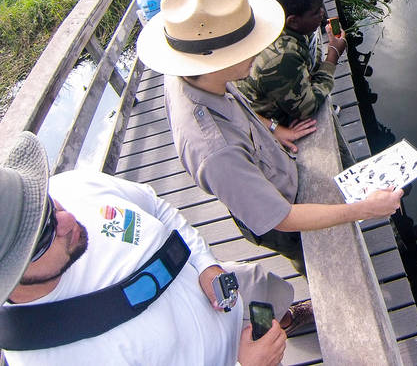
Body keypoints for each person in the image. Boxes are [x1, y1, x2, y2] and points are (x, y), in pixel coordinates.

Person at [137, 0, 404, 272]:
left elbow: (238, 102)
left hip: (278, 170)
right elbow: (281, 218)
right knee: (321, 265)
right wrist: (365, 209)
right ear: (216, 60)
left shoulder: (193, 74)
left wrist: (273, 128)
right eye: (248, 47)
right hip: (283, 217)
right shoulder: (217, 152)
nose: (260, 51)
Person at [0, 131, 304, 366]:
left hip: (227, 290)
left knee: (269, 296)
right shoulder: (49, 357)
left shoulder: (73, 187)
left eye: (48, 206)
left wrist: (205, 264)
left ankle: (288, 319)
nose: (69, 221)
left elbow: (157, 208)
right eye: (42, 237)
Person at [238, 0, 346, 133]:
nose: (323, 13)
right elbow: (307, 109)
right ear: (293, 21)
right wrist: (333, 55)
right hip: (270, 120)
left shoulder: (276, 19)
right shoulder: (282, 56)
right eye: (316, 12)